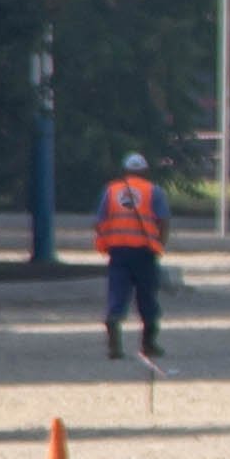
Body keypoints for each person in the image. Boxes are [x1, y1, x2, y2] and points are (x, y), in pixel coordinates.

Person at [95, 149, 172, 363]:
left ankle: (114, 336)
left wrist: (106, 241)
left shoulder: (111, 191)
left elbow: (99, 221)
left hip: (118, 252)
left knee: (117, 294)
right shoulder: (153, 191)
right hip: (145, 252)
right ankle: (148, 344)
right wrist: (160, 245)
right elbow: (163, 221)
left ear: (125, 171)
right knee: (147, 297)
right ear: (145, 171)